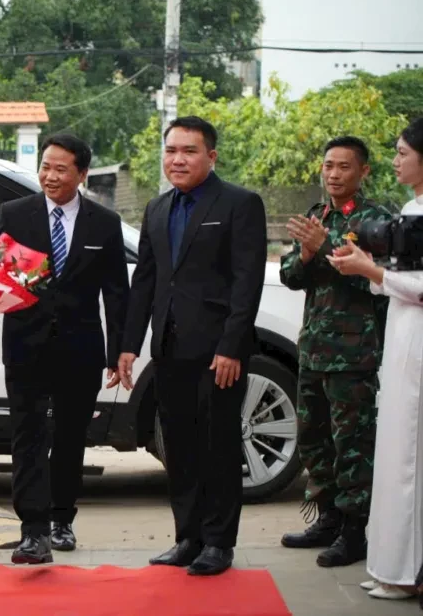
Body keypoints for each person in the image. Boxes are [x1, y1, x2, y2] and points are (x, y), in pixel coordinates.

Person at [117, 115, 267, 577]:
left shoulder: (240, 204)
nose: (177, 160)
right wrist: (128, 345)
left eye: (189, 151)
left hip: (218, 352)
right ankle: (188, 536)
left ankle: (219, 542)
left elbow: (247, 282)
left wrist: (232, 346)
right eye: (171, 151)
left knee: (218, 446)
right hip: (169, 346)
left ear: (211, 156)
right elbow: (145, 281)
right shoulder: (157, 208)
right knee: (178, 446)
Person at [0, 133, 128, 563]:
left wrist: (118, 352)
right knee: (28, 436)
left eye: (60, 169)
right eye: (45, 167)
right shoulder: (15, 214)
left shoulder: (104, 223)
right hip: (25, 345)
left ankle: (62, 518)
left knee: (70, 437)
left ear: (82, 174)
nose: (49, 176)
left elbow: (116, 293)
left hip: (80, 348)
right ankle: (32, 531)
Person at [278, 136, 389, 568]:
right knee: (314, 440)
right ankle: (326, 519)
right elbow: (291, 277)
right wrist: (306, 254)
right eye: (328, 166)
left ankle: (354, 531)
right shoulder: (316, 215)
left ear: (363, 171)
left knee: (353, 446)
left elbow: (375, 281)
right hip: (314, 349)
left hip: (354, 354)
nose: (334, 174)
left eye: (344, 166)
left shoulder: (376, 221)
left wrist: (324, 246)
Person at [326, 117, 423, 600]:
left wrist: (371, 271)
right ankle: (390, 564)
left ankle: (407, 571)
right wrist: (368, 268)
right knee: (395, 453)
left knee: (409, 457)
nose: (396, 161)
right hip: (403, 334)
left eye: (403, 153)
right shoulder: (410, 208)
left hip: (417, 339)